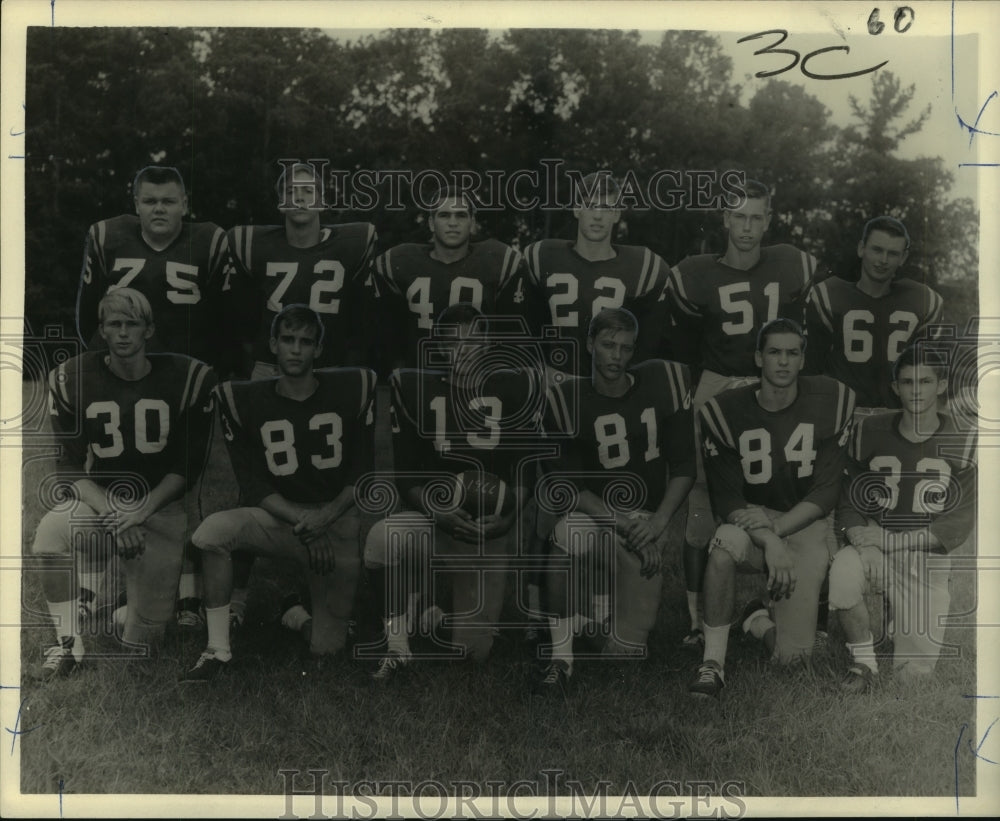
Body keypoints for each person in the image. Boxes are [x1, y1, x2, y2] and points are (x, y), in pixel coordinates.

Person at [665, 179, 824, 648]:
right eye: (739, 217)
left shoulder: (792, 263)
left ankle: (782, 605)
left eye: (757, 217)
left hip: (776, 386)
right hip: (717, 384)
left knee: (784, 487)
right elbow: (686, 344)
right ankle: (697, 620)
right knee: (702, 501)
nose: (748, 227)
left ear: (769, 220)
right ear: (725, 219)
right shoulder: (696, 273)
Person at [179, 305, 376, 681]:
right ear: (273, 344)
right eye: (288, 340)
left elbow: (362, 474)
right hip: (281, 518)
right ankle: (217, 649)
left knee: (327, 650)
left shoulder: (352, 389)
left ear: (319, 349)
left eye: (306, 341)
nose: (296, 349)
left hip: (334, 521)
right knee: (211, 533)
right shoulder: (245, 398)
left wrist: (324, 519)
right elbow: (253, 485)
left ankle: (296, 616)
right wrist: (307, 523)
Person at [29, 288, 216, 679]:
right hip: (102, 505)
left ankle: (123, 606)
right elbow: (69, 467)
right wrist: (118, 514)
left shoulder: (186, 377)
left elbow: (187, 467)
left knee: (140, 645)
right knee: (49, 534)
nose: (124, 333)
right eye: (115, 324)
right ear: (102, 331)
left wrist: (140, 511)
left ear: (149, 330)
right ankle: (68, 646)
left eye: (133, 324)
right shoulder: (72, 377)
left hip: (160, 509)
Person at [363, 303, 543, 680]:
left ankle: (430, 614)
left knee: (473, 654)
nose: (464, 351)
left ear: (488, 343)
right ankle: (396, 646)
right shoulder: (418, 389)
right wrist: (437, 512)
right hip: (436, 520)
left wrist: (507, 518)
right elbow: (406, 477)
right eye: (454, 342)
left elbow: (527, 468)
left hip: (488, 530)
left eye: (473, 341)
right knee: (381, 538)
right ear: (442, 347)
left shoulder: (514, 389)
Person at [688, 318, 854, 699]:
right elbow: (727, 498)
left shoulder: (830, 400)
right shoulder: (724, 409)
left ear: (802, 359)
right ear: (758, 357)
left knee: (792, 661)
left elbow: (827, 491)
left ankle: (756, 620)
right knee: (722, 546)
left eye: (792, 353)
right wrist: (768, 539)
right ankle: (713, 662)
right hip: (750, 519)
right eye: (775, 352)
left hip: (804, 522)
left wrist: (778, 533)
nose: (783, 362)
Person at [536, 307, 696, 693]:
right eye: (608, 345)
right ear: (590, 344)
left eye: (625, 348)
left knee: (621, 656)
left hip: (645, 516)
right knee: (564, 537)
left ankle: (595, 619)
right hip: (596, 515)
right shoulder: (565, 398)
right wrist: (626, 528)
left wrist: (656, 526)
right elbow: (571, 488)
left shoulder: (662, 381)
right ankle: (560, 657)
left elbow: (685, 467)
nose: (616, 356)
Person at [828, 346, 976, 691]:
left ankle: (901, 621)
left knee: (913, 677)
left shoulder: (964, 439)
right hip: (874, 540)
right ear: (895, 387)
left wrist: (892, 542)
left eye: (925, 381)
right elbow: (848, 501)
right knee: (844, 572)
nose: (916, 390)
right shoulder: (870, 430)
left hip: (926, 555)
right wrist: (862, 543)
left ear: (941, 386)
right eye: (907, 382)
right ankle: (863, 664)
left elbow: (958, 524)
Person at [227, 162, 377, 379]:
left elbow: (361, 319)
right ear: (281, 204)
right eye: (291, 191)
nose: (299, 198)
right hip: (270, 367)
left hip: (329, 367)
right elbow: (242, 318)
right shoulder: (253, 245)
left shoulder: (352, 244)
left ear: (322, 203)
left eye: (308, 191)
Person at [75, 165, 231, 368]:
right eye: (150, 201)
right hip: (120, 368)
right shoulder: (107, 236)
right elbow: (87, 315)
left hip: (184, 369)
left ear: (184, 205)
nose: (159, 209)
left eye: (168, 201)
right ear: (137, 205)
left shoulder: (210, 240)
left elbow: (225, 316)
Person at [522, 173, 669, 377]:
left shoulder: (643, 266)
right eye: (590, 206)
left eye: (607, 208)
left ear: (617, 214)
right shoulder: (542, 257)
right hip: (557, 384)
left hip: (612, 389)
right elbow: (529, 327)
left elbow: (648, 343)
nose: (598, 216)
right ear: (577, 209)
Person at [371, 187, 527, 371]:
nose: (453, 223)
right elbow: (390, 333)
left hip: (477, 382)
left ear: (472, 223)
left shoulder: (497, 260)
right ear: (431, 223)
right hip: (420, 379)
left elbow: (510, 333)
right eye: (444, 215)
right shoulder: (400, 262)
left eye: (461, 216)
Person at [806, 216, 944, 410]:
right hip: (842, 415)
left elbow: (929, 374)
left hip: (897, 418)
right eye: (877, 250)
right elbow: (811, 368)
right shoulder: (829, 295)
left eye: (893, 253)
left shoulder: (922, 301)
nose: (883, 260)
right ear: (862, 248)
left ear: (903, 258)